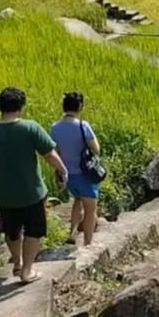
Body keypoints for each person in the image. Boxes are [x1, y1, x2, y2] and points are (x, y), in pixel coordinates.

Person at [0, 87, 68, 285]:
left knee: (12, 230)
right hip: (32, 193)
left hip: (5, 195)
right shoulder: (30, 127)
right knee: (34, 231)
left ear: (0, 106)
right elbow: (49, 154)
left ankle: (17, 262)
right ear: (21, 106)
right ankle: (26, 271)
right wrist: (63, 170)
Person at [50, 92, 101, 247]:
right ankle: (88, 243)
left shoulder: (55, 127)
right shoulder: (82, 125)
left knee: (77, 200)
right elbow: (96, 149)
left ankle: (72, 233)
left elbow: (55, 152)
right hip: (85, 175)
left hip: (68, 175)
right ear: (80, 107)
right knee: (90, 210)